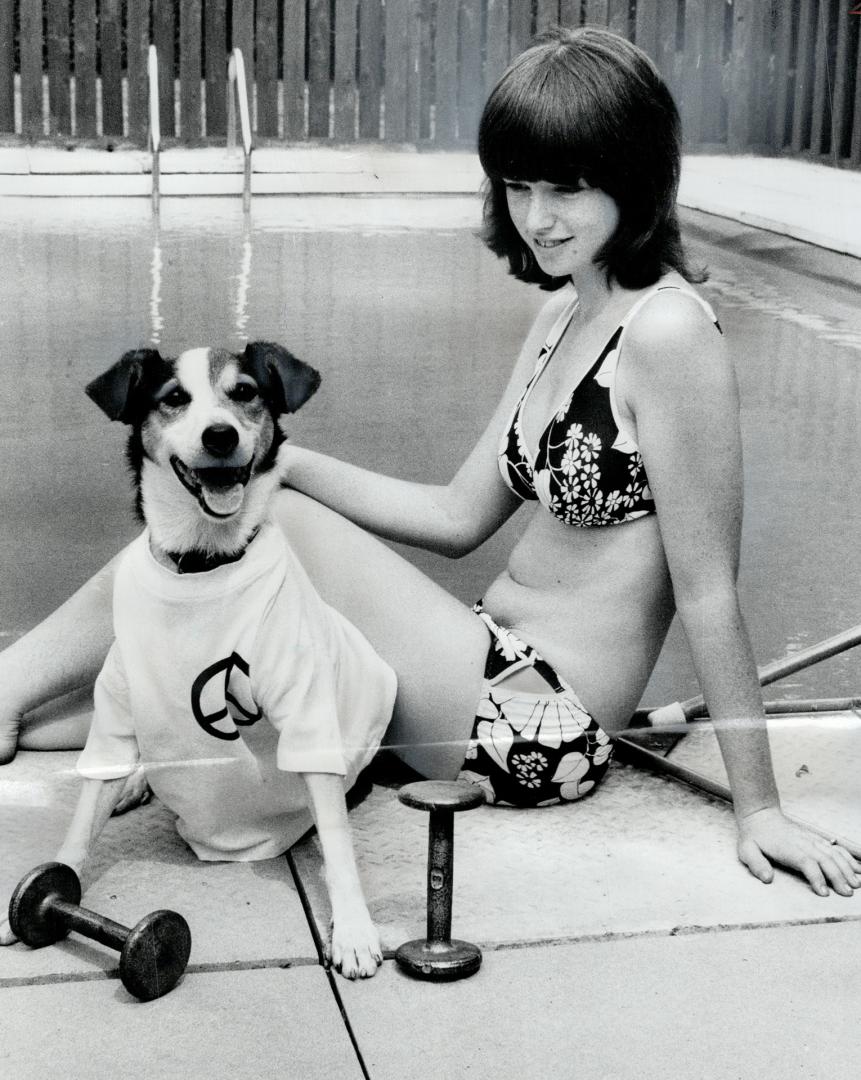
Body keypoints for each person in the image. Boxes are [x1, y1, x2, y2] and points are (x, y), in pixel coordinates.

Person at [1, 27, 857, 898]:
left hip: (543, 724)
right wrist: (283, 467)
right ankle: (17, 712)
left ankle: (5, 684)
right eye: (518, 187)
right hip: (482, 660)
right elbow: (456, 518)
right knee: (191, 640)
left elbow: (708, 588)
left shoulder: (669, 334)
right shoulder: (563, 315)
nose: (538, 218)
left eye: (566, 187)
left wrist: (759, 811)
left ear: (634, 178)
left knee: (265, 533)